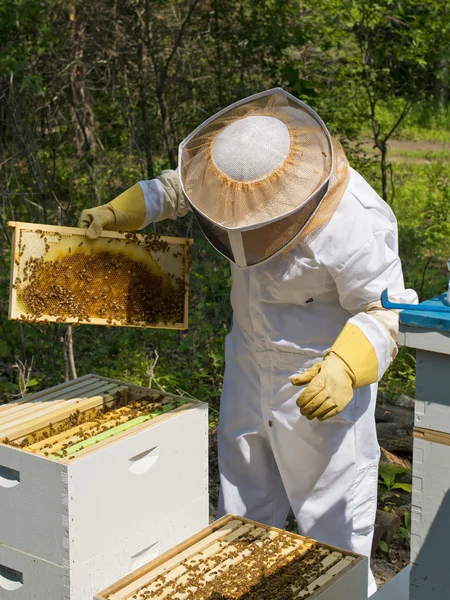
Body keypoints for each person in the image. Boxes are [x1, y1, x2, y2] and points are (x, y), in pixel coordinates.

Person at [78, 88, 417, 595]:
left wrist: (347, 365)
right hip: (247, 361)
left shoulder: (356, 220)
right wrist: (122, 210)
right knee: (240, 507)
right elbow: (178, 189)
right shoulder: (230, 172)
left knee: (333, 528)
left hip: (317, 378)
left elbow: (387, 308)